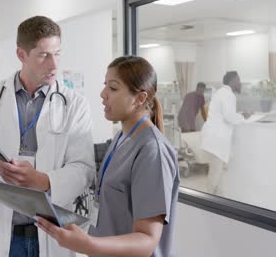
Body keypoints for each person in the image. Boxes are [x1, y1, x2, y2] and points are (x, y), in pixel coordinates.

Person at [0, 16, 94, 257]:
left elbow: (83, 168)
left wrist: (44, 180)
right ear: (21, 55)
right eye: (43, 55)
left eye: (58, 53)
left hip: (50, 230)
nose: (54, 64)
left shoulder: (76, 105)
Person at [37, 56, 180, 257]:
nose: (103, 94)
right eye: (106, 86)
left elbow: (146, 240)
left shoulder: (151, 151)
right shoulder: (122, 138)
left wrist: (87, 244)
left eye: (113, 88)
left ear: (139, 98)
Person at [201, 71, 248, 194]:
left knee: (219, 172)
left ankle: (219, 199)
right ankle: (208, 200)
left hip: (215, 137)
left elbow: (226, 114)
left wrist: (240, 115)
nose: (240, 83)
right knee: (215, 173)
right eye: (238, 80)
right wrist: (244, 118)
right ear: (232, 81)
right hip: (217, 139)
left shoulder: (222, 93)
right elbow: (229, 116)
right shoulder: (228, 95)